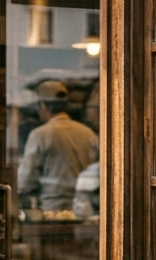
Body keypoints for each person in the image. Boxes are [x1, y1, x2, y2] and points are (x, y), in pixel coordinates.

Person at [16, 80, 99, 213]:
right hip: (84, 210)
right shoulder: (89, 134)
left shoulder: (40, 135)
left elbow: (25, 181)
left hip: (52, 210)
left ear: (43, 106)